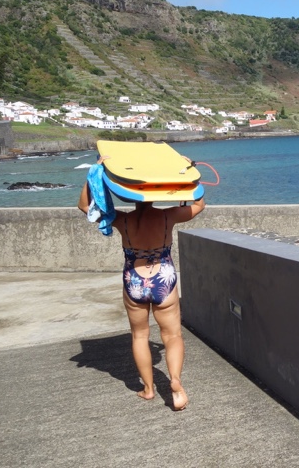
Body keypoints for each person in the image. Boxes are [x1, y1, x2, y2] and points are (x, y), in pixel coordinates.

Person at [78, 156, 205, 410]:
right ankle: (175, 381)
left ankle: (148, 389)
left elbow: (84, 207)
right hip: (163, 278)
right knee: (172, 335)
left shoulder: (122, 220)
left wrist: (94, 173)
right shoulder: (168, 216)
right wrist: (188, 172)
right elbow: (199, 204)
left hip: (134, 280)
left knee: (139, 335)